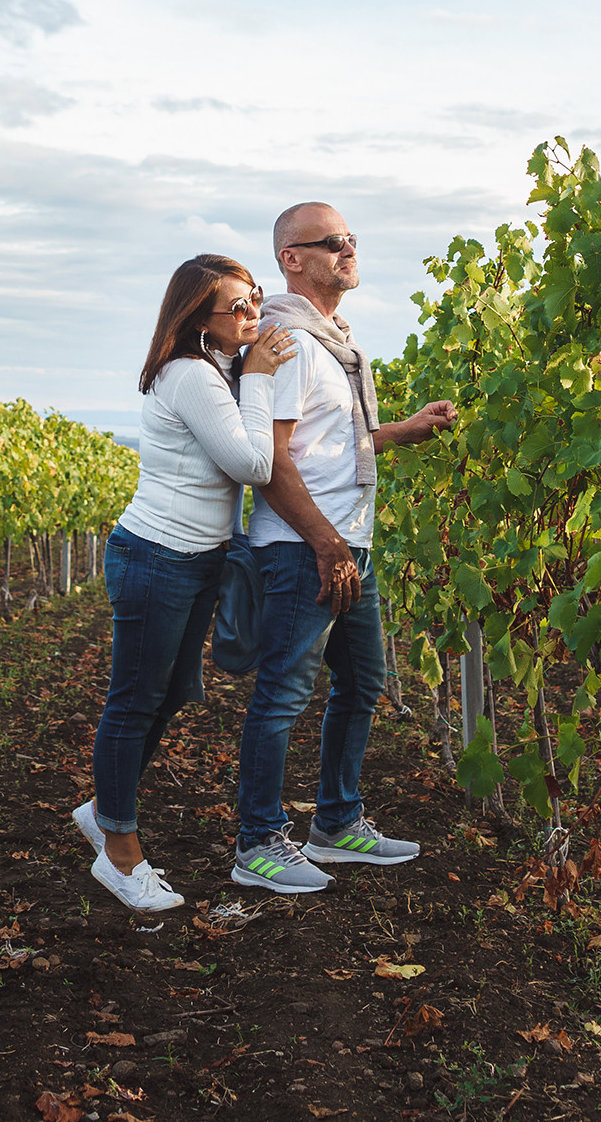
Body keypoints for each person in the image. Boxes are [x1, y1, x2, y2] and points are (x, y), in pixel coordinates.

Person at [229, 203, 455, 895]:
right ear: (291, 258)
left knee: (363, 683)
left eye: (351, 238)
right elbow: (270, 460)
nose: (347, 248)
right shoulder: (287, 343)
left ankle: (336, 823)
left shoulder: (333, 342)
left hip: (347, 541)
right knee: (283, 694)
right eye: (331, 242)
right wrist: (327, 544)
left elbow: (324, 445)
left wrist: (399, 432)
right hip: (304, 548)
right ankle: (257, 842)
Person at [73, 254, 295, 912]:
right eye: (237, 306)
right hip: (157, 556)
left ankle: (102, 809)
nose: (252, 313)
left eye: (255, 297)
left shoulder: (220, 367)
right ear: (199, 318)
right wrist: (260, 377)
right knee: (135, 701)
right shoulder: (193, 374)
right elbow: (253, 464)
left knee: (169, 694)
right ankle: (119, 854)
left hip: (197, 559)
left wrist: (250, 371)